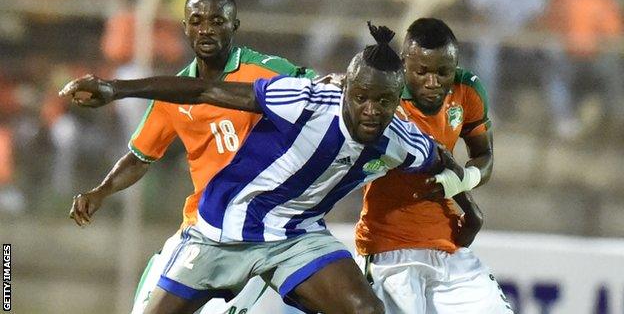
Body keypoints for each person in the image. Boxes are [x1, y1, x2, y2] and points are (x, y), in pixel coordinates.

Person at [60, 22, 480, 314]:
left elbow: (440, 160)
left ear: (397, 101)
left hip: (296, 238)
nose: (371, 110)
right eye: (362, 97)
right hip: (221, 230)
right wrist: (115, 89)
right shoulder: (305, 101)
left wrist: (472, 211)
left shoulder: (400, 139)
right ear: (346, 87)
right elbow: (206, 88)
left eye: (384, 102)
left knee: (365, 310)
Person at [68, 0, 315, 314]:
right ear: (184, 27)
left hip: (257, 234)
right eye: (196, 20)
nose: (206, 29)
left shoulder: (265, 72)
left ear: (235, 26)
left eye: (217, 20)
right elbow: (141, 157)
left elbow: (322, 92)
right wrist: (99, 191)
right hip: (199, 228)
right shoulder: (174, 92)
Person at [355, 18, 512, 313]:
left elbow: (484, 158)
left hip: (449, 244)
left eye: (443, 72)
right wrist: (471, 209)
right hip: (390, 248)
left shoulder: (468, 89)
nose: (433, 82)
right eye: (422, 71)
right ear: (403, 65)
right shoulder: (384, 98)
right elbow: (430, 155)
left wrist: (461, 184)